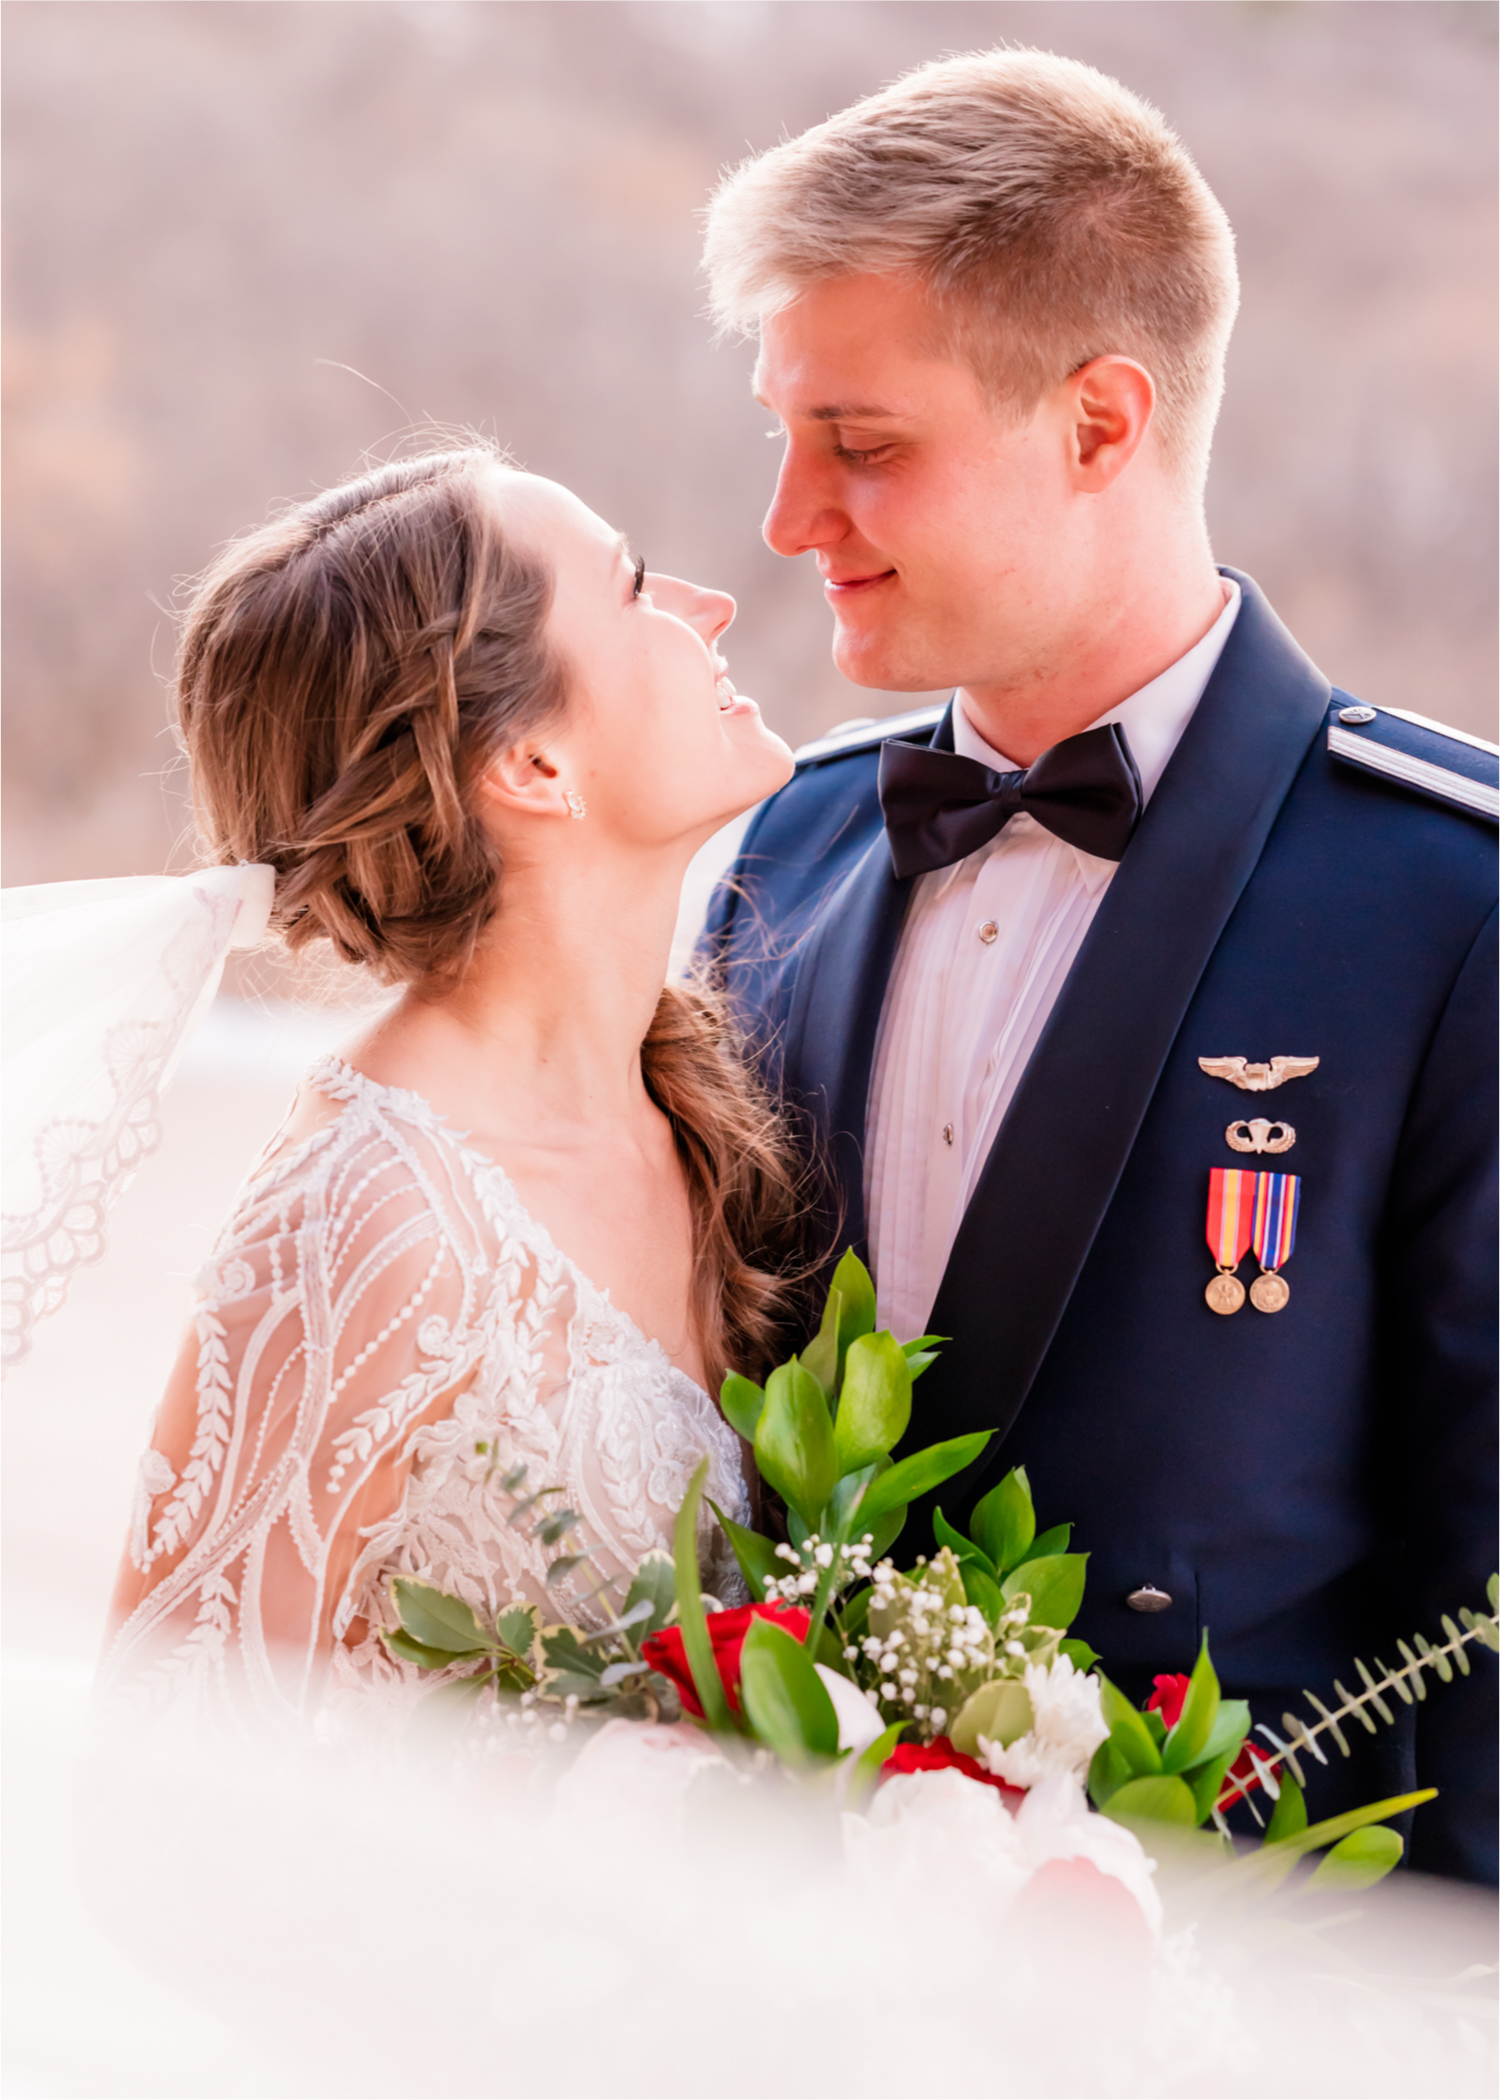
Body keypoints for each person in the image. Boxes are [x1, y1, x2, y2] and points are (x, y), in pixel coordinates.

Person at [699, 49, 1498, 1880]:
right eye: (785, 433)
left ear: (1101, 424)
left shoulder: (1452, 900)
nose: (790, 518)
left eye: (863, 444)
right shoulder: (792, 842)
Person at [101, 445, 804, 1727]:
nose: (712, 604)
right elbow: (159, 1806)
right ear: (533, 767)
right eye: (636, 585)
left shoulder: (700, 1120)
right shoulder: (370, 1222)